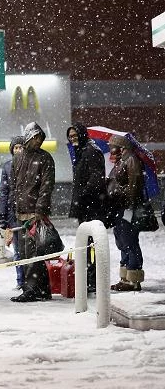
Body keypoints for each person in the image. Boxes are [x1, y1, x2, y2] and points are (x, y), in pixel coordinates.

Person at [10, 122, 54, 302]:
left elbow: (47, 186)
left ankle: (32, 289)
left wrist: (40, 210)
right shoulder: (18, 158)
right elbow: (14, 185)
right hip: (21, 212)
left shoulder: (45, 158)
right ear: (28, 137)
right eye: (35, 137)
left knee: (34, 253)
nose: (38, 141)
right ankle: (41, 290)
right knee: (27, 252)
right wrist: (15, 206)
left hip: (35, 213)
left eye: (40, 138)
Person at [66, 123, 106, 292]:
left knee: (92, 243)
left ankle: (93, 279)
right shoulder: (82, 151)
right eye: (70, 136)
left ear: (82, 134)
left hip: (91, 206)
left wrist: (83, 194)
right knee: (88, 243)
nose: (73, 138)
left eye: (75, 135)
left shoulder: (90, 151)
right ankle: (91, 277)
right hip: (86, 205)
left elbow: (95, 178)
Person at [107, 135, 145, 291]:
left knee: (129, 241)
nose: (110, 149)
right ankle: (125, 277)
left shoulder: (131, 159)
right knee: (122, 241)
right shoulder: (121, 160)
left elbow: (133, 185)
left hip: (127, 208)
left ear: (120, 146)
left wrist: (126, 202)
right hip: (120, 208)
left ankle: (133, 278)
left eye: (112, 146)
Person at [0, 136, 24, 290]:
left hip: (28, 213)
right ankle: (21, 280)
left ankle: (29, 279)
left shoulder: (30, 165)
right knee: (18, 250)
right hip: (13, 214)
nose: (18, 150)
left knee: (29, 248)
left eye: (21, 147)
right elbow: (3, 192)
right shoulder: (7, 167)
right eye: (16, 147)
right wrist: (2, 215)